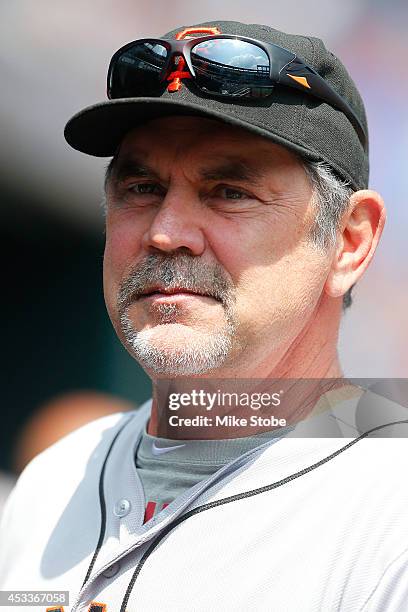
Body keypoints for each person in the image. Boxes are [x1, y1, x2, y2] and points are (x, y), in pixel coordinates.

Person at [1, 19, 408, 612]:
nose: (166, 233)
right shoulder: (56, 476)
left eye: (229, 192)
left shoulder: (390, 510)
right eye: (141, 187)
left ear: (349, 241)